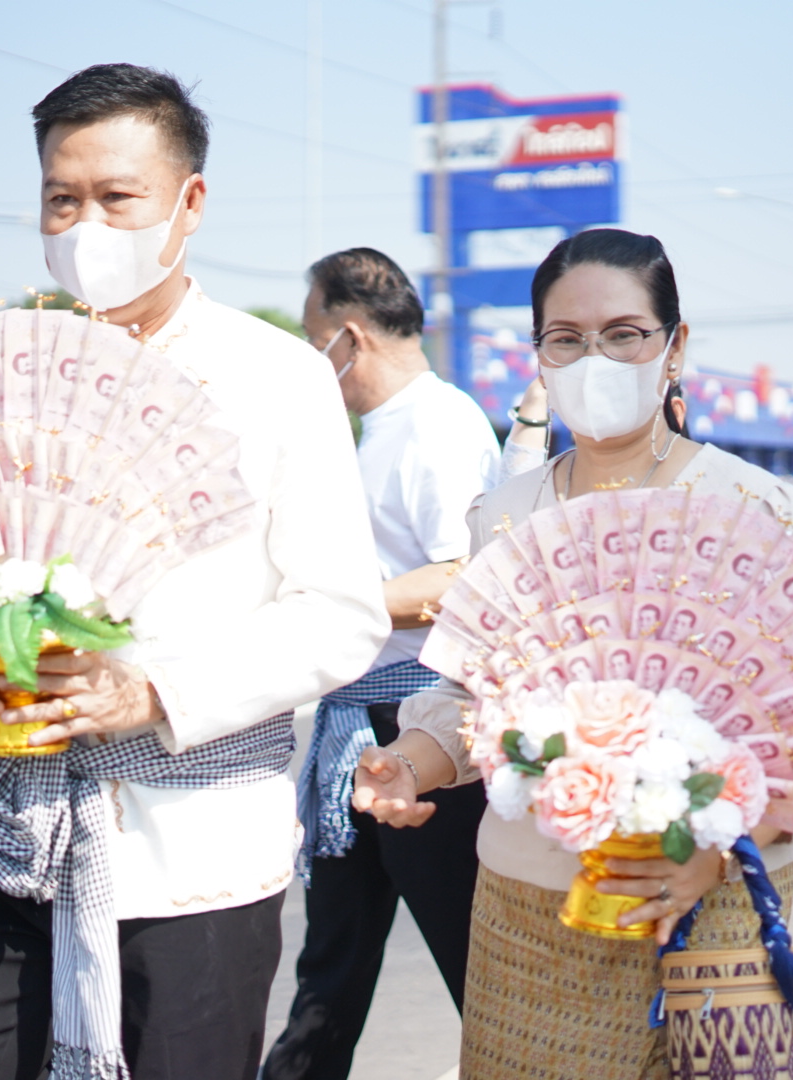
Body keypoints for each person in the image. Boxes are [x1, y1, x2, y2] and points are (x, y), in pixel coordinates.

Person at [0, 65, 388, 1080]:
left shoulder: (275, 378)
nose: (88, 227)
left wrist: (151, 690)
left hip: (189, 864)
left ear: (188, 202)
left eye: (118, 199)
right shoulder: (1, 371)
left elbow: (340, 615)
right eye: (61, 200)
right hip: (0, 840)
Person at [353, 229, 793, 1079]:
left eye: (625, 334)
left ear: (675, 348)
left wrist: (714, 847)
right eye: (567, 339)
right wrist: (409, 763)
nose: (595, 358)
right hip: (530, 917)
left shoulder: (755, 508)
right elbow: (461, 700)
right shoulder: (506, 518)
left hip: (718, 908)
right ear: (540, 358)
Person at [264, 248, 499, 1080]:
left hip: (424, 734)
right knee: (328, 977)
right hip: (357, 733)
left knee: (482, 979)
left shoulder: (437, 426)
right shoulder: (382, 430)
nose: (310, 357)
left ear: (349, 337)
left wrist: (327, 602)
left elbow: (458, 578)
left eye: (311, 336)